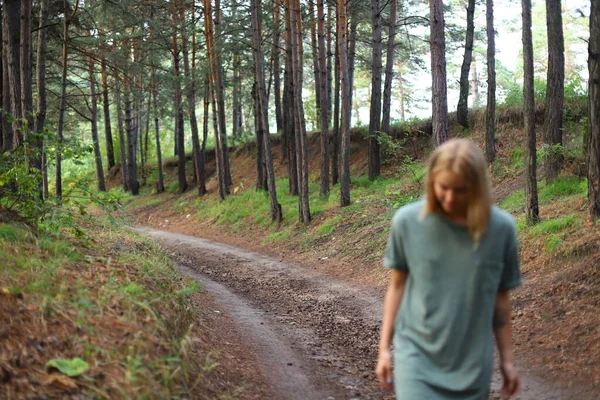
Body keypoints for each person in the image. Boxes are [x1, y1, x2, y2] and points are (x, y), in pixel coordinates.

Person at [376, 138, 521, 399]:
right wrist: (384, 349)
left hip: (472, 366)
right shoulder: (408, 222)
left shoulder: (501, 230)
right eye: (443, 187)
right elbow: (396, 286)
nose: (450, 198)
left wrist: (507, 361)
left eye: (461, 190)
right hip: (416, 359)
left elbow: (501, 301)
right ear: (431, 181)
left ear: (477, 187)